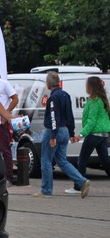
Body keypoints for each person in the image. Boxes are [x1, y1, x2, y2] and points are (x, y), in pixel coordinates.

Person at [35, 71, 90, 199]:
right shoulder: (65, 95)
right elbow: (69, 115)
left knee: (46, 160)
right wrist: (71, 132)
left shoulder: (53, 98)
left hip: (54, 131)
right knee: (62, 160)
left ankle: (46, 191)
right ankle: (81, 181)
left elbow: (54, 116)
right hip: (65, 130)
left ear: (49, 83)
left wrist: (53, 136)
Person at [65, 76, 110, 194]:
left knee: (82, 160)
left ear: (92, 86)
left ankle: (78, 186)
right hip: (103, 135)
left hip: (94, 135)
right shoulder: (102, 99)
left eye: (87, 84)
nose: (85, 86)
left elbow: (91, 121)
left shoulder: (94, 101)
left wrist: (80, 134)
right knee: (105, 161)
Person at [0, 63, 19, 185]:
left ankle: (9, 177)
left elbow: (15, 98)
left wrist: (6, 113)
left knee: (5, 149)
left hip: (2, 123)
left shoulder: (4, 84)